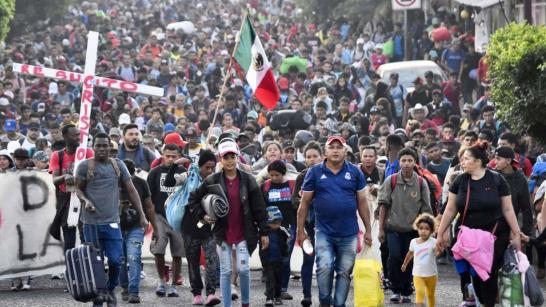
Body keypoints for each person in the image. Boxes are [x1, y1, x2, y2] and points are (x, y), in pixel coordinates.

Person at [436, 142, 522, 307]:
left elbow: (508, 208)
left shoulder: (497, 179)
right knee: (475, 274)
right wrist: (441, 232)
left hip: (495, 234)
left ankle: (487, 303)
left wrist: (516, 233)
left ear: (478, 161)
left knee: (488, 273)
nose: (462, 162)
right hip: (468, 236)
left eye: (466, 158)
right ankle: (477, 300)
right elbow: (450, 208)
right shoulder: (460, 180)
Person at [187, 139, 269, 307]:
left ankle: (245, 303)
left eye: (232, 156)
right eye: (226, 157)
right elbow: (193, 199)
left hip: (244, 232)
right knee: (225, 271)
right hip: (222, 233)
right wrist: (203, 216)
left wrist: (264, 231)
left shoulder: (248, 180)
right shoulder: (212, 180)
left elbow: (259, 208)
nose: (230, 160)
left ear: (237, 157)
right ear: (220, 159)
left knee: (244, 270)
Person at [297, 135, 372, 307]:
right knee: (324, 268)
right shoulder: (314, 172)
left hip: (349, 233)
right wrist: (301, 232)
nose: (336, 150)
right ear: (325, 151)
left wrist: (368, 229)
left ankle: (339, 304)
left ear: (346, 151)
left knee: (344, 272)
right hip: (324, 232)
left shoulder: (355, 172)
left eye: (339, 147)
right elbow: (304, 203)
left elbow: (362, 202)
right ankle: (325, 302)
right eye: (332, 147)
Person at [75, 132, 148, 307]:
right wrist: (85, 201)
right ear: (93, 147)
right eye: (98, 146)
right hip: (91, 224)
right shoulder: (85, 166)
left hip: (112, 222)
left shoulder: (118, 165)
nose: (101, 149)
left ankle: (109, 289)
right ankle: (100, 300)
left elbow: (131, 190)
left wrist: (142, 215)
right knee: (97, 264)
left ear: (110, 147)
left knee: (116, 261)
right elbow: (78, 189)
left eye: (104, 145)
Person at [164, 150, 221, 306]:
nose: (209, 171)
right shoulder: (188, 177)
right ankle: (196, 293)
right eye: (206, 167)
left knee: (211, 259)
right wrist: (175, 165)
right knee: (192, 260)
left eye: (212, 167)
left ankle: (211, 293)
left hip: (210, 227)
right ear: (200, 166)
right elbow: (168, 183)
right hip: (190, 227)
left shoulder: (217, 180)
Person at [378, 147, 433, 303]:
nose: (407, 163)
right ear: (399, 162)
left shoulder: (421, 182)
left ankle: (407, 290)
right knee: (394, 257)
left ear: (415, 162)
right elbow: (383, 205)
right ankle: (395, 289)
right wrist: (381, 228)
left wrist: (427, 232)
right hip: (393, 228)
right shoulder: (392, 180)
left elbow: (426, 209)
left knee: (410, 259)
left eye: (410, 160)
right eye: (403, 160)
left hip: (413, 231)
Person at [147, 143, 186, 298]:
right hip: (159, 217)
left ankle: (174, 285)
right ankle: (162, 281)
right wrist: (150, 221)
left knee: (177, 253)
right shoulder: (155, 173)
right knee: (159, 249)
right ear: (162, 155)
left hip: (177, 218)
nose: (170, 159)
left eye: (174, 156)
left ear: (179, 156)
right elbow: (148, 198)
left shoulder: (184, 173)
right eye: (167, 156)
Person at [49, 124, 94, 252]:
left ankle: (89, 266)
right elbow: (55, 180)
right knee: (69, 238)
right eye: (74, 135)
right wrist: (64, 177)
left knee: (86, 236)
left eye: (78, 134)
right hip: (66, 199)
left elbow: (95, 175)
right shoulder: (58, 155)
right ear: (65, 137)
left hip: (85, 197)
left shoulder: (87, 152)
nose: (78, 137)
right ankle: (70, 268)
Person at [119, 159, 158, 304]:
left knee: (134, 257)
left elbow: (149, 206)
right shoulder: (111, 183)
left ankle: (133, 291)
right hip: (116, 229)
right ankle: (124, 288)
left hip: (136, 228)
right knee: (119, 260)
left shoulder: (141, 183)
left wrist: (155, 227)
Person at [292, 141, 323, 307]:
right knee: (308, 260)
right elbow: (294, 201)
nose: (312, 159)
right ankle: (307, 296)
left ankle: (324, 297)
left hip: (326, 226)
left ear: (321, 156)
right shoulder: (302, 176)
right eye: (308, 157)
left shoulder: (329, 174)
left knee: (324, 263)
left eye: (314, 156)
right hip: (308, 226)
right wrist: (303, 199)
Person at [260, 160, 296, 301]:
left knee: (285, 259)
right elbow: (260, 207)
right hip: (270, 229)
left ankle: (282, 289)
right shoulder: (265, 187)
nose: (274, 178)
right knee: (272, 260)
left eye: (277, 175)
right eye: (272, 175)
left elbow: (297, 206)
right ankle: (272, 290)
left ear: (283, 173)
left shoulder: (291, 186)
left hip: (288, 228)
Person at [493, 146, 533, 237]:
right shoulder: (492, 176)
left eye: (498, 159)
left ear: (508, 161)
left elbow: (526, 207)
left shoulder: (520, 179)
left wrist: (526, 231)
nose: (495, 162)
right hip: (491, 225)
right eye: (495, 159)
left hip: (511, 225)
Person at [401, 213, 439, 307]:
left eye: (427, 229)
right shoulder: (414, 242)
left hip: (432, 274)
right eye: (421, 228)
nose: (423, 231)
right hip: (418, 274)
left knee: (430, 295)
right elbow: (410, 254)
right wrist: (405, 264)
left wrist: (439, 250)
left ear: (431, 230)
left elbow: (437, 253)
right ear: (417, 228)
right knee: (420, 293)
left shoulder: (434, 242)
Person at [261, 206, 290, 307]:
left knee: (278, 280)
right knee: (270, 280)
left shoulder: (282, 231)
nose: (277, 225)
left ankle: (277, 297)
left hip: (279, 260)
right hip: (269, 261)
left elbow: (288, 238)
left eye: (278, 222)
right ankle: (269, 298)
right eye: (274, 222)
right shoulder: (264, 233)